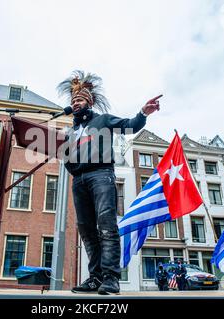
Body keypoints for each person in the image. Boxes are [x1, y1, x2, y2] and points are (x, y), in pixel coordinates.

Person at [58, 71, 161, 295]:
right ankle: (94, 278)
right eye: (73, 101)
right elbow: (65, 156)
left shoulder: (102, 120)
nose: (76, 103)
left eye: (80, 100)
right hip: (79, 180)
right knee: (85, 229)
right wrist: (73, 168)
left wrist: (143, 113)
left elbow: (130, 126)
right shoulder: (71, 131)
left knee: (106, 225)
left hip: (101, 175)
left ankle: (111, 278)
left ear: (90, 101)